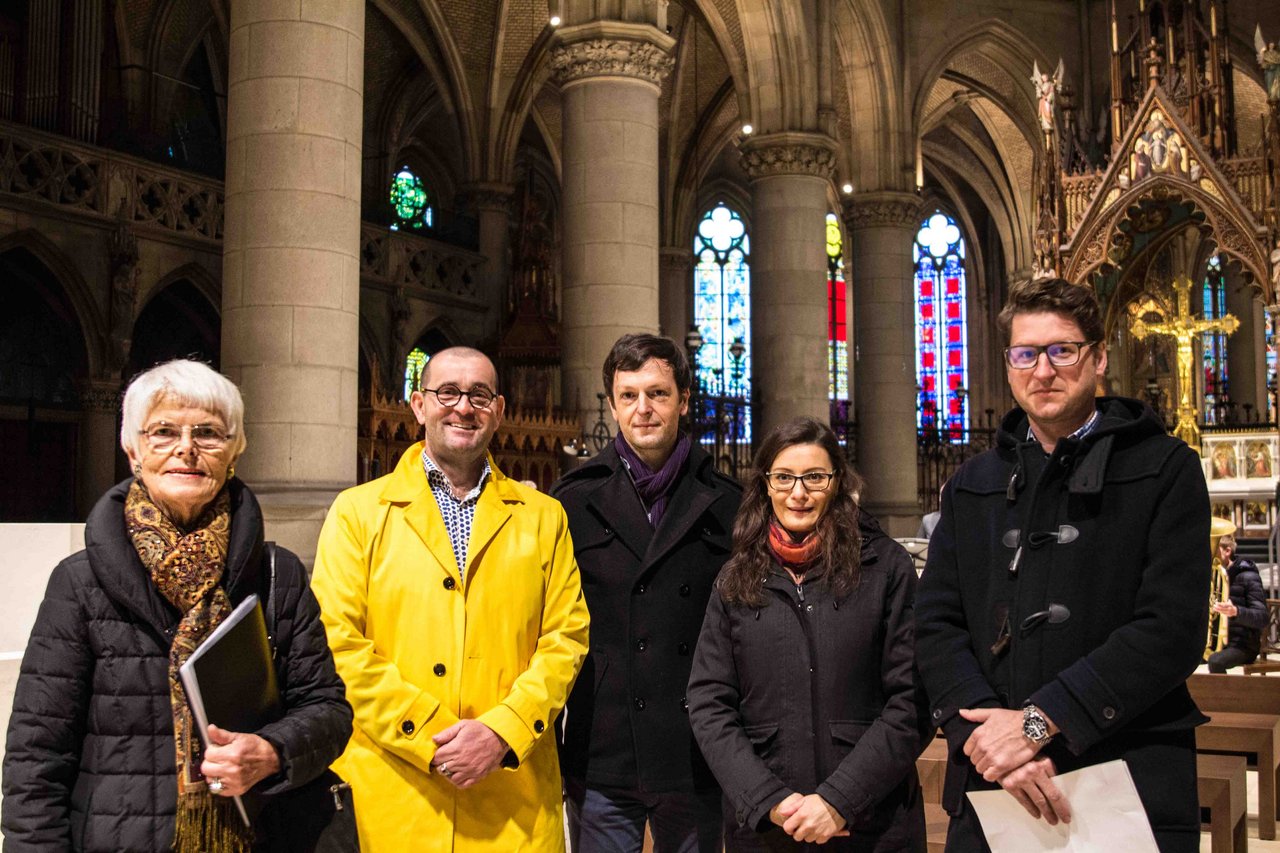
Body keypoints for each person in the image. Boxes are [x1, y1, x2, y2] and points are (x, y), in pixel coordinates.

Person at [2, 359, 353, 852]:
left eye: (208, 433)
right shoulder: (80, 584)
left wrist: (273, 752)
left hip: (259, 838)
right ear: (132, 450)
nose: (186, 449)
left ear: (236, 449)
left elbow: (328, 711)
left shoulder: (278, 575)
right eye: (163, 432)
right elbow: (35, 759)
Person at [915, 277, 1210, 852]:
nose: (1042, 371)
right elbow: (935, 626)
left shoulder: (1164, 468)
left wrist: (1035, 725)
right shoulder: (974, 484)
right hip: (995, 779)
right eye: (1026, 353)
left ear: (1098, 358)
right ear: (1007, 364)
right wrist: (990, 746)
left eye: (1062, 351)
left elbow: (1170, 631)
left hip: (1124, 769)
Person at [311, 346, 590, 851]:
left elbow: (566, 638)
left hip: (512, 790)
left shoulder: (544, 517)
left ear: (499, 411)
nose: (463, 406)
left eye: (479, 395)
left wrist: (501, 733)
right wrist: (431, 738)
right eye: (448, 392)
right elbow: (338, 643)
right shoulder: (357, 513)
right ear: (418, 405)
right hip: (395, 792)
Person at [688, 416, 928, 852]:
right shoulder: (735, 579)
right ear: (764, 484)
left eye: (814, 477)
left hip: (872, 823)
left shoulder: (885, 568)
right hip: (767, 827)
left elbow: (912, 700)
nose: (798, 493)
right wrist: (767, 800)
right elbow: (708, 703)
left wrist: (840, 799)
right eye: (783, 478)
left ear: (837, 482)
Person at [552, 333, 742, 852]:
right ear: (612, 405)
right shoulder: (571, 502)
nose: (644, 409)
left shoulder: (729, 504)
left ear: (683, 399)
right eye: (629, 395)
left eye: (657, 394)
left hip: (697, 748)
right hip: (604, 747)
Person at [1207, 534, 1269, 673]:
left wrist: (1236, 611)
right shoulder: (1212, 576)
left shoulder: (1249, 577)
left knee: (1215, 661)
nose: (1209, 555)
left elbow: (1262, 617)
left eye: (1214, 549)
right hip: (1220, 644)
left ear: (1227, 551)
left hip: (1243, 645)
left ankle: (1224, 695)